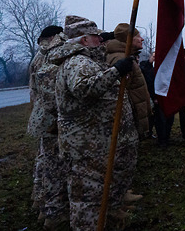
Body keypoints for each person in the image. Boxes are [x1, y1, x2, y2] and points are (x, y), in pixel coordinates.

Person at [51, 15, 136, 229]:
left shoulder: (89, 62)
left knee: (101, 202)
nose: (101, 40)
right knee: (88, 205)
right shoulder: (78, 63)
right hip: (87, 150)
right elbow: (85, 89)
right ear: (84, 40)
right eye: (96, 37)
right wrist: (116, 71)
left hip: (97, 147)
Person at [27, 25, 67, 229]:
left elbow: (32, 92)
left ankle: (42, 202)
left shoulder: (38, 56)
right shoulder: (50, 55)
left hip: (41, 117)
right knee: (53, 167)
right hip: (51, 119)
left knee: (44, 162)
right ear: (53, 37)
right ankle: (53, 211)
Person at [105, 23, 153, 140]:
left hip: (131, 115)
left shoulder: (126, 57)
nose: (142, 39)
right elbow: (121, 91)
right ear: (129, 38)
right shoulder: (120, 59)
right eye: (138, 36)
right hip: (126, 117)